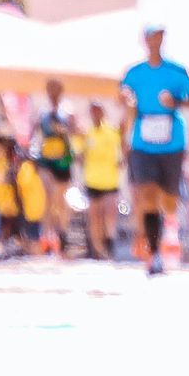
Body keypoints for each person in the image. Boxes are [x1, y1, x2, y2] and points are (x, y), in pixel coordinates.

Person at [121, 25, 189, 275]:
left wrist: (175, 101)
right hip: (142, 142)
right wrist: (125, 99)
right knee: (147, 194)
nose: (155, 40)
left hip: (172, 142)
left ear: (163, 39)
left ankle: (168, 229)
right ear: (145, 40)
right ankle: (154, 254)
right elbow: (122, 94)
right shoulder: (134, 73)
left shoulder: (176, 71)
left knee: (168, 199)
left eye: (159, 36)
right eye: (151, 36)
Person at [32, 79, 77, 256]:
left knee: (59, 201)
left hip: (62, 160)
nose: (52, 92)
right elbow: (35, 131)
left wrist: (62, 129)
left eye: (55, 88)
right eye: (50, 88)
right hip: (46, 159)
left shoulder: (68, 110)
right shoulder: (42, 111)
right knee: (48, 197)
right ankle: (46, 237)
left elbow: (75, 131)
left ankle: (62, 234)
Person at [81, 102, 123, 260]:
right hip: (92, 180)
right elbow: (80, 154)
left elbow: (122, 147)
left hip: (110, 180)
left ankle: (109, 245)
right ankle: (97, 250)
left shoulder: (111, 132)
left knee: (109, 216)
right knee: (94, 218)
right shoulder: (87, 133)